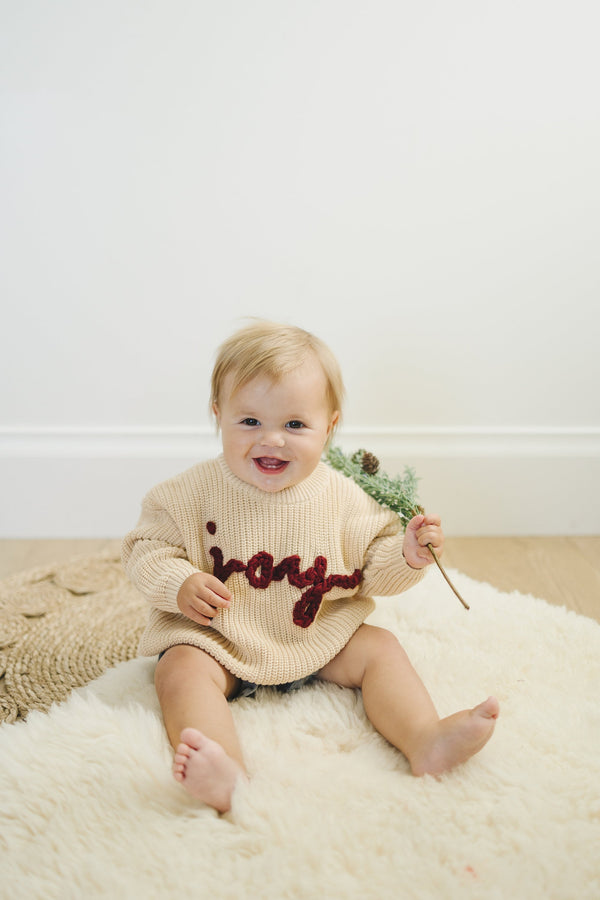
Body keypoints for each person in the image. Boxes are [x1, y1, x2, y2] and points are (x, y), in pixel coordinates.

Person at [122, 321, 499, 813]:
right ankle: (226, 771)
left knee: (380, 648)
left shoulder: (347, 498)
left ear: (330, 427)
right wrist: (178, 582)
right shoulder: (186, 494)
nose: (272, 440)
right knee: (178, 670)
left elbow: (372, 568)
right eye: (250, 422)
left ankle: (425, 739)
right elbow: (144, 548)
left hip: (317, 636)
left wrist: (407, 556)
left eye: (295, 425)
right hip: (221, 639)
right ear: (219, 416)